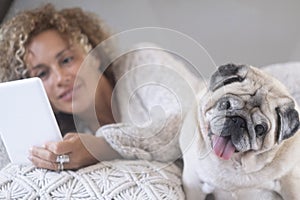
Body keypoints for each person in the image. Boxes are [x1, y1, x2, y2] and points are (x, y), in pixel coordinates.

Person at [0, 4, 199, 171]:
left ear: (94, 55)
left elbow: (187, 123)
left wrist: (102, 147)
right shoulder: (64, 139)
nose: (61, 78)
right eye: (42, 74)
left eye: (67, 60)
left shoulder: (140, 63)